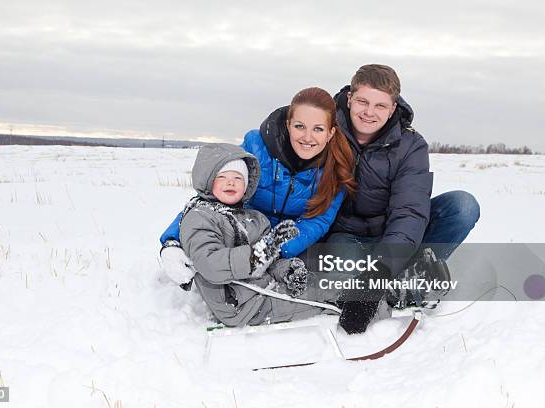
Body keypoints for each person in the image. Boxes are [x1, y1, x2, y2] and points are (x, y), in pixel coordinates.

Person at [160, 87, 357, 286]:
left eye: (318, 129)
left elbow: (318, 221)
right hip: (240, 236)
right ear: (288, 124)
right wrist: (171, 242)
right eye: (299, 126)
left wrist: (276, 248)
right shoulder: (256, 148)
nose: (307, 137)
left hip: (287, 248)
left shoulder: (337, 168)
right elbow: (209, 200)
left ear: (331, 133)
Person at [325, 64, 480, 315]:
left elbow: (409, 211)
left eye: (380, 106)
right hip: (346, 234)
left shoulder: (411, 145)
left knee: (463, 206)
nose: (369, 112)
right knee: (345, 281)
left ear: (393, 108)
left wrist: (384, 267)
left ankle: (410, 273)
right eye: (363, 101)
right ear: (350, 99)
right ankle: (388, 284)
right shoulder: (326, 131)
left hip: (394, 230)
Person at [177, 143, 354, 326]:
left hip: (263, 288)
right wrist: (259, 254)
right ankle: (375, 317)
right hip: (242, 303)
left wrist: (287, 269)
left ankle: (372, 294)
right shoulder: (200, 217)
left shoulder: (254, 218)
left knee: (327, 281)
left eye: (238, 178)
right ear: (207, 180)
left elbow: (270, 262)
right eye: (222, 177)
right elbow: (210, 264)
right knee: (324, 293)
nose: (231, 182)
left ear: (246, 185)